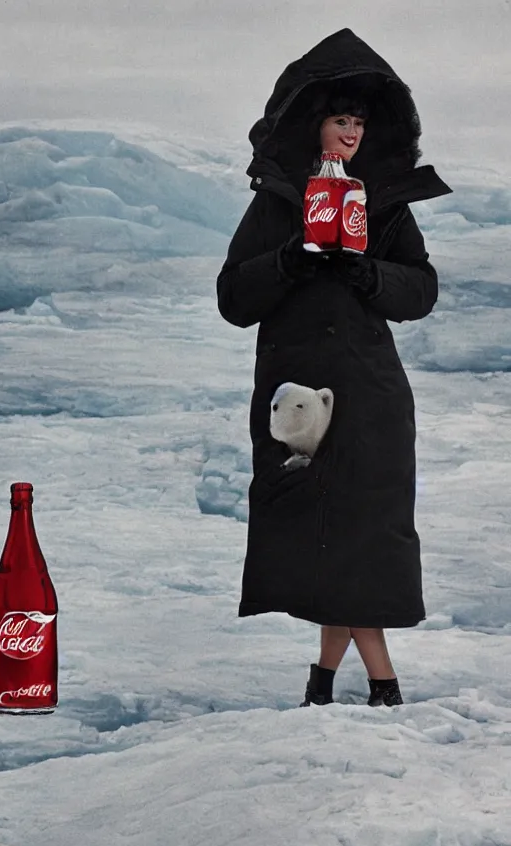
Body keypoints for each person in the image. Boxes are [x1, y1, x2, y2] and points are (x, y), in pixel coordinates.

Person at [216, 28, 452, 707]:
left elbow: (422, 289)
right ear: (312, 123)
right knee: (328, 546)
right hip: (300, 405)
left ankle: (351, 685)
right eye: (339, 119)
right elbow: (234, 298)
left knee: (362, 545)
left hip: (370, 392)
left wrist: (368, 273)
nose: (350, 131)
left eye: (358, 122)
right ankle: (357, 686)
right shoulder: (276, 203)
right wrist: (289, 260)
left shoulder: (384, 203)